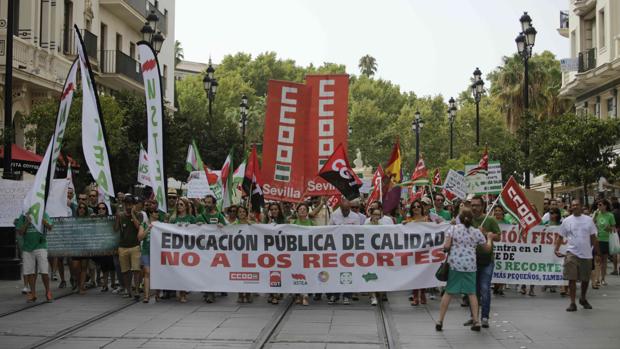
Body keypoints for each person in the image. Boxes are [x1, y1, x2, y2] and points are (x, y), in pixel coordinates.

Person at [435, 207, 494, 332]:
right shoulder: (476, 232)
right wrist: (489, 238)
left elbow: (446, 246)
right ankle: (476, 321)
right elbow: (487, 249)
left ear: (459, 218)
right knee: (472, 293)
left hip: (455, 264)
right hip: (470, 265)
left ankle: (440, 321)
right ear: (471, 219)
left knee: (449, 292)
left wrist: (447, 248)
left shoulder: (453, 229)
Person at [555, 199, 600, 312]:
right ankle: (572, 303)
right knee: (572, 278)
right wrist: (556, 249)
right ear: (571, 207)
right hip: (572, 253)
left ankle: (583, 298)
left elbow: (593, 237)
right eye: (573, 205)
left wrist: (597, 253)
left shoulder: (589, 220)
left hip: (586, 254)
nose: (575, 206)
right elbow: (560, 236)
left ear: (581, 206)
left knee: (585, 279)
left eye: (577, 205)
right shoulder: (567, 221)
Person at [464, 196, 501, 328]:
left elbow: (498, 237)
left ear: (483, 206)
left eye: (477, 205)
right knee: (473, 290)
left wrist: (485, 233)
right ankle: (474, 317)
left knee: (485, 288)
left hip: (486, 260)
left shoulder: (490, 220)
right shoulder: (467, 219)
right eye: (472, 205)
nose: (474, 207)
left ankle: (484, 317)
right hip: (471, 260)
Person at [327, 198, 361, 305]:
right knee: (335, 272)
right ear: (340, 208)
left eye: (347, 210)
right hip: (336, 250)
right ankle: (335, 295)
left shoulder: (355, 217)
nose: (345, 213)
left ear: (350, 208)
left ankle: (347, 295)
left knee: (349, 273)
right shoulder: (335, 215)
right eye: (343, 210)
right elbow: (328, 229)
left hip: (350, 250)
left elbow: (359, 232)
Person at [15, 213, 54, 303]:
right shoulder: (23, 216)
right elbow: (20, 232)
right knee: (29, 272)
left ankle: (48, 291)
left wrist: (43, 222)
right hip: (27, 247)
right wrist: (27, 223)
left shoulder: (43, 213)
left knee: (44, 271)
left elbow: (50, 227)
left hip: (41, 245)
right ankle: (33, 294)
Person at [115, 195, 142, 299]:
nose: (129, 206)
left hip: (135, 246)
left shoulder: (138, 214)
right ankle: (128, 289)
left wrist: (132, 214)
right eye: (127, 204)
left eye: (130, 204)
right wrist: (117, 218)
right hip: (123, 246)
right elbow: (116, 229)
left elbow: (138, 226)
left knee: (136, 269)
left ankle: (136, 290)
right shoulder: (121, 216)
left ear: (134, 205)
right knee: (125, 270)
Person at [201, 195, 227, 303]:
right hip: (205, 250)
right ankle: (209, 293)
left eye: (209, 203)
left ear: (214, 204)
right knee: (207, 271)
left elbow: (227, 230)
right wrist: (197, 225)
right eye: (205, 202)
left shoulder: (219, 216)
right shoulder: (200, 216)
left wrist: (222, 226)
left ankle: (215, 290)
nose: (207, 205)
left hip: (217, 249)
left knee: (214, 271)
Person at [405, 199, 431, 305]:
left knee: (423, 273)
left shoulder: (426, 219)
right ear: (411, 209)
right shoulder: (408, 219)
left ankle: (423, 294)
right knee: (414, 274)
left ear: (422, 208)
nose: (416, 208)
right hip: (412, 250)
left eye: (418, 206)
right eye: (414, 207)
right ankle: (416, 297)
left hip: (424, 250)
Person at [292, 203, 313, 306]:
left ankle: (305, 296)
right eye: (300, 209)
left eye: (304, 209)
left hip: (307, 254)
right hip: (295, 254)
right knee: (297, 274)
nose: (302, 211)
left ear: (307, 211)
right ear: (297, 211)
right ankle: (298, 295)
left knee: (306, 274)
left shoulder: (312, 223)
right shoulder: (293, 223)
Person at [591, 199, 615, 288]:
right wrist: (594, 215)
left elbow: (613, 228)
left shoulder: (610, 215)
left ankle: (603, 279)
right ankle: (597, 279)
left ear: (605, 206)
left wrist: (608, 228)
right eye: (598, 205)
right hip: (597, 239)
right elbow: (590, 224)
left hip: (606, 240)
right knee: (597, 260)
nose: (598, 206)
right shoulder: (597, 214)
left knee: (604, 260)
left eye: (600, 205)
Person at [366, 208, 387, 306]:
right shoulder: (365, 226)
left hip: (379, 255)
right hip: (368, 255)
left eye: (378, 215)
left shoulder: (382, 226)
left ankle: (379, 293)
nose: (376, 217)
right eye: (374, 214)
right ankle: (372, 296)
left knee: (379, 275)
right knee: (370, 275)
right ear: (371, 214)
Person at [138, 208, 159, 303]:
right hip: (146, 251)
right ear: (150, 214)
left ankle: (157, 294)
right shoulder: (144, 224)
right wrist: (148, 228)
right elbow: (140, 237)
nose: (157, 213)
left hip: (158, 252)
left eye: (158, 212)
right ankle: (146, 296)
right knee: (147, 272)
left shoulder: (161, 224)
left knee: (158, 273)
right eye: (155, 211)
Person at [94, 203, 116, 292]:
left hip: (110, 245)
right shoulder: (95, 219)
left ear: (106, 210)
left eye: (103, 208)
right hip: (100, 246)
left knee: (112, 265)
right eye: (99, 208)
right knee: (104, 266)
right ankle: (105, 284)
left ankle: (113, 283)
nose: (101, 210)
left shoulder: (110, 219)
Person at [234, 206, 254, 304]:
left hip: (249, 253)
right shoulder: (233, 225)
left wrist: (252, 225)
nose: (242, 213)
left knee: (249, 274)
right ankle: (240, 294)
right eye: (240, 212)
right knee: (239, 274)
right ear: (237, 214)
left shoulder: (251, 224)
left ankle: (249, 293)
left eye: (243, 212)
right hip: (238, 254)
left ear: (246, 213)